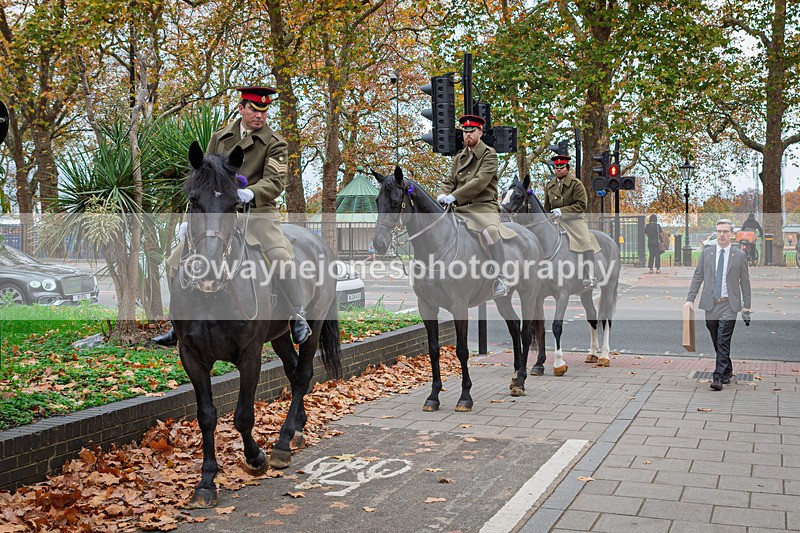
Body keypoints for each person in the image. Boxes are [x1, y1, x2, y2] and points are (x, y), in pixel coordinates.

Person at [153, 86, 310, 347]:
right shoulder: (220, 137)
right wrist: (186, 220)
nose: (260, 116)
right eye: (254, 110)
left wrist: (251, 193)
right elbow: (202, 181)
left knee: (281, 257)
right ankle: (177, 323)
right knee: (174, 260)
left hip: (258, 212)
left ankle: (298, 316)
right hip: (219, 214)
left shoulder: (275, 143)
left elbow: (275, 181)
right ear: (241, 108)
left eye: (264, 111)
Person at [437, 114, 517, 297]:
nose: (467, 135)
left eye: (471, 131)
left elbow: (480, 181)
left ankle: (501, 277)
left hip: (483, 207)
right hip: (460, 208)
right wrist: (442, 194)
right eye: (465, 132)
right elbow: (449, 180)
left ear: (480, 132)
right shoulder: (459, 156)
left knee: (491, 231)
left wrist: (454, 196)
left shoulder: (490, 154)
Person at [684, 219, 751, 391]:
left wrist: (747, 305)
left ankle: (718, 377)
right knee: (716, 338)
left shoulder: (739, 255)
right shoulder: (707, 253)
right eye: (719, 231)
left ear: (732, 234)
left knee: (722, 339)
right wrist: (690, 299)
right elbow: (698, 277)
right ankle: (727, 369)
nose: (722, 234)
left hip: (730, 304)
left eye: (725, 231)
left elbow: (745, 282)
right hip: (710, 304)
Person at [543, 154, 601, 289]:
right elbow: (547, 207)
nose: (558, 170)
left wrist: (562, 211)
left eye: (561, 167)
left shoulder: (576, 184)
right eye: (556, 168)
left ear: (567, 168)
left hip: (574, 220)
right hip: (555, 220)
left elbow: (581, 205)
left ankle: (589, 275)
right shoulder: (550, 186)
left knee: (585, 242)